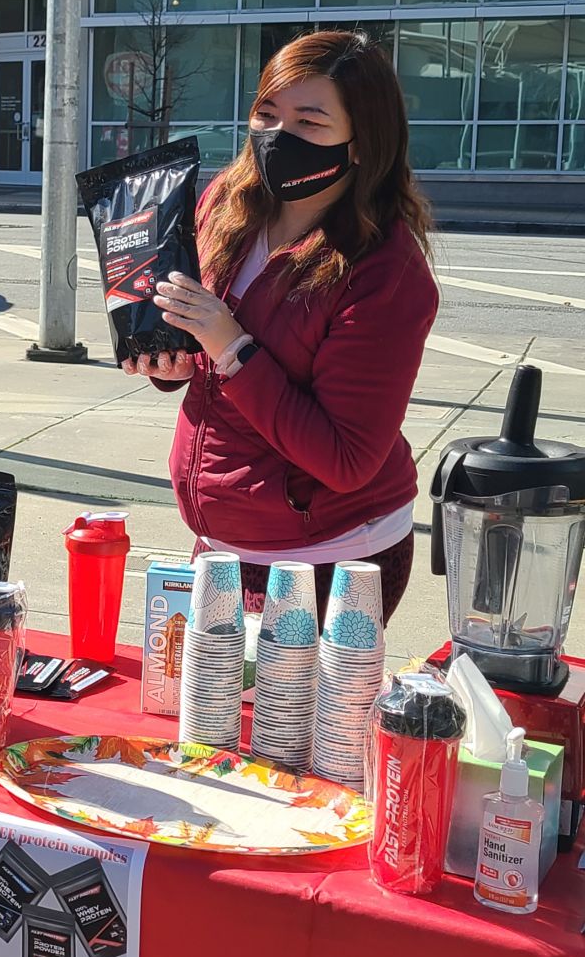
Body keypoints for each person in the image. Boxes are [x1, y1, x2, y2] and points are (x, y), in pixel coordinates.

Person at [125, 30, 437, 624]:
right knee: (208, 689)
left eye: (309, 122)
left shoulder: (383, 268)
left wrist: (233, 349)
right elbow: (206, 352)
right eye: (266, 114)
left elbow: (346, 459)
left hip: (331, 557)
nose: (278, 136)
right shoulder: (227, 201)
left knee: (285, 695)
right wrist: (173, 356)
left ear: (363, 142)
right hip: (222, 544)